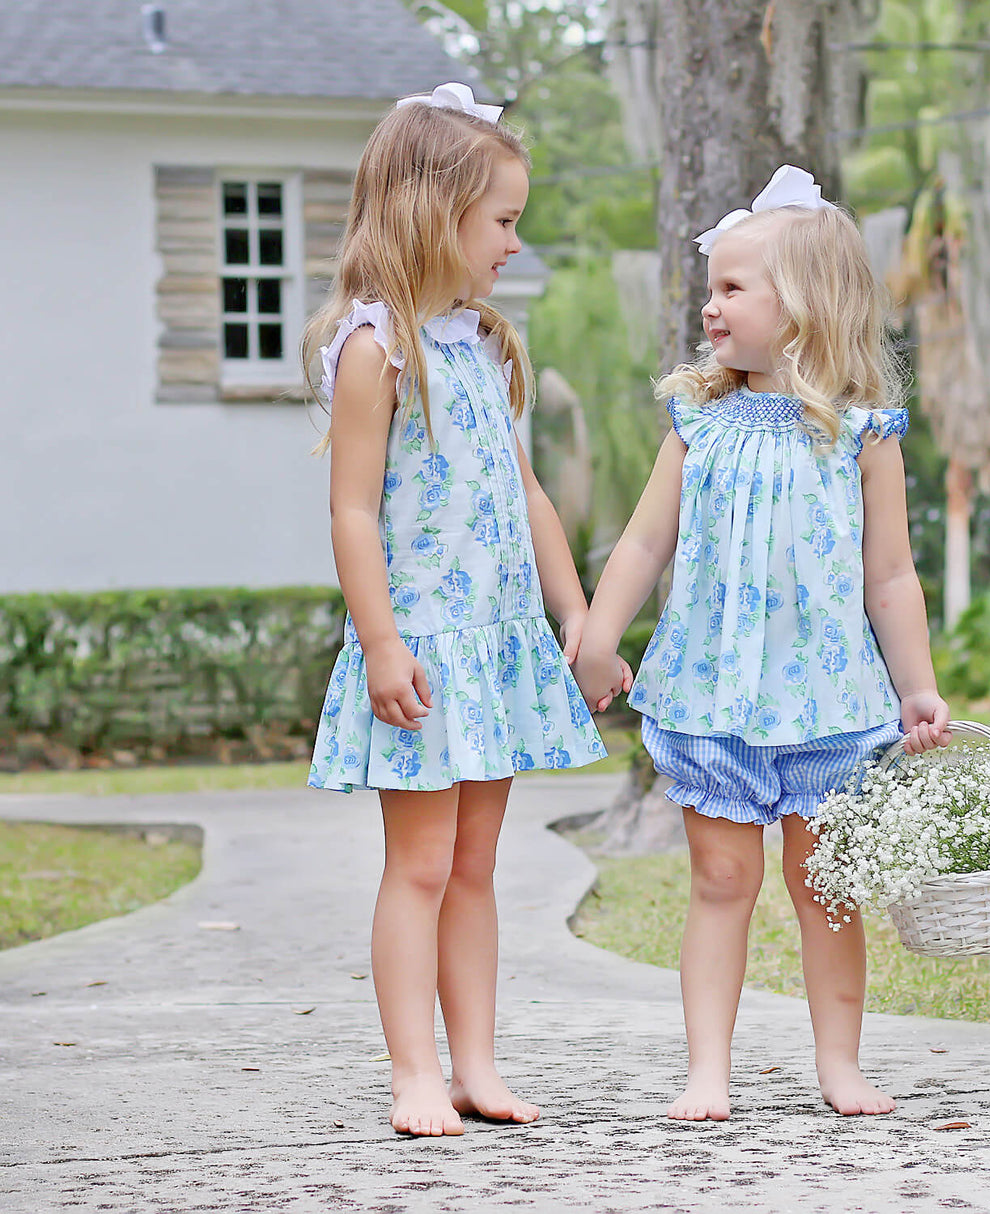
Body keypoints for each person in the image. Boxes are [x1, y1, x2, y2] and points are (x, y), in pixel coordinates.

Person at [573, 166, 950, 1121]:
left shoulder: (864, 433)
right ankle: (709, 1070)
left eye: (734, 288)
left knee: (826, 886)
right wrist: (596, 637)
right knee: (721, 879)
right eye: (712, 288)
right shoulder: (696, 423)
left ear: (805, 304)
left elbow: (891, 575)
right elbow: (644, 541)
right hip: (713, 695)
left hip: (828, 698)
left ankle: (840, 1063)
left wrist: (918, 687)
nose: (712, 307)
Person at [304, 83, 624, 1137]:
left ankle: (476, 1064)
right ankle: (410, 1070)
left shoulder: (480, 343)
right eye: (501, 220)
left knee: (478, 866)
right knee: (423, 864)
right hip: (425, 648)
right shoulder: (375, 348)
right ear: (431, 211)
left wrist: (575, 612)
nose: (512, 244)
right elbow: (352, 508)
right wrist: (382, 640)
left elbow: (525, 493)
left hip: (492, 645)